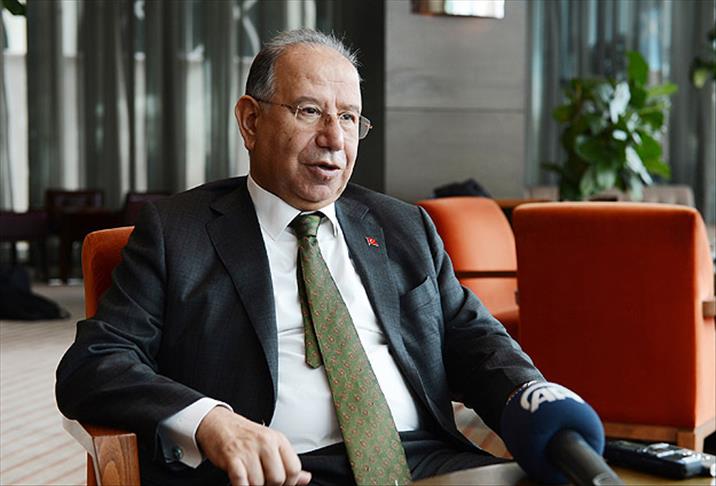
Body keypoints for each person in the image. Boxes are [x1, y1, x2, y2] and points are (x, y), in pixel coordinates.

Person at [56, 29, 543, 486]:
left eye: (348, 118)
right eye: (310, 111)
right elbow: (95, 363)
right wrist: (210, 420)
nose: (334, 139)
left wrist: (539, 401)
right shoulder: (177, 232)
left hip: (424, 462)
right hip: (276, 472)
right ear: (251, 121)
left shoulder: (403, 226)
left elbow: (476, 342)